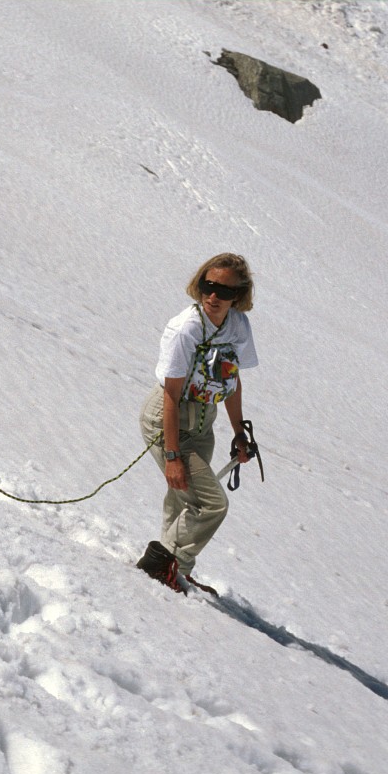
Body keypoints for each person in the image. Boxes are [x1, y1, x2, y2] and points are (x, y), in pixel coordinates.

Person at [136, 253, 259, 594]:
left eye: (225, 290)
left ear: (239, 295)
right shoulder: (185, 329)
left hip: (203, 420)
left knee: (182, 497)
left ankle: (173, 570)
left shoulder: (237, 326)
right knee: (212, 503)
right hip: (167, 419)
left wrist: (239, 433)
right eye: (208, 286)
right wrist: (172, 456)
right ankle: (161, 563)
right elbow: (171, 395)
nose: (214, 296)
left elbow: (231, 379)